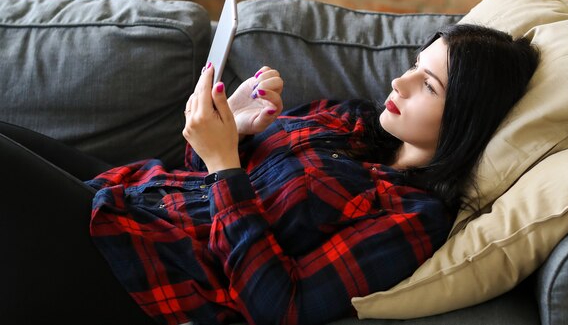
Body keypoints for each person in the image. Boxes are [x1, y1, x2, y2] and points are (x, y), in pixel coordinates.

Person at [0, 24, 539, 325]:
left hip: (145, 268)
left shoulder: (411, 218)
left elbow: (279, 305)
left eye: (429, 86)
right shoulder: (348, 118)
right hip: (138, 195)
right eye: (416, 66)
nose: (398, 82)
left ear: (468, 118)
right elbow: (200, 172)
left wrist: (224, 165)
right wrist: (234, 129)